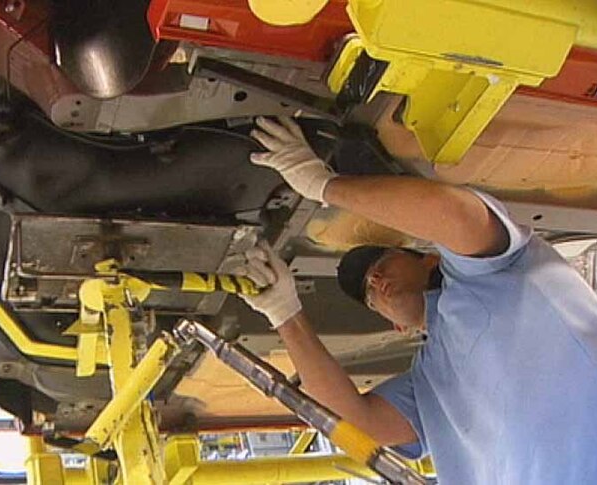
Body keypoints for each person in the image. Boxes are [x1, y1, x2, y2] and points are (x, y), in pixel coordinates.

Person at [235, 116, 597, 484]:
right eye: (369, 294)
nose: (375, 280)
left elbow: (456, 216)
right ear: (397, 326)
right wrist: (285, 312)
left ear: (430, 258)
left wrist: (327, 186)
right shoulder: (429, 383)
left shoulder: (489, 274)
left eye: (381, 263)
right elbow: (360, 424)